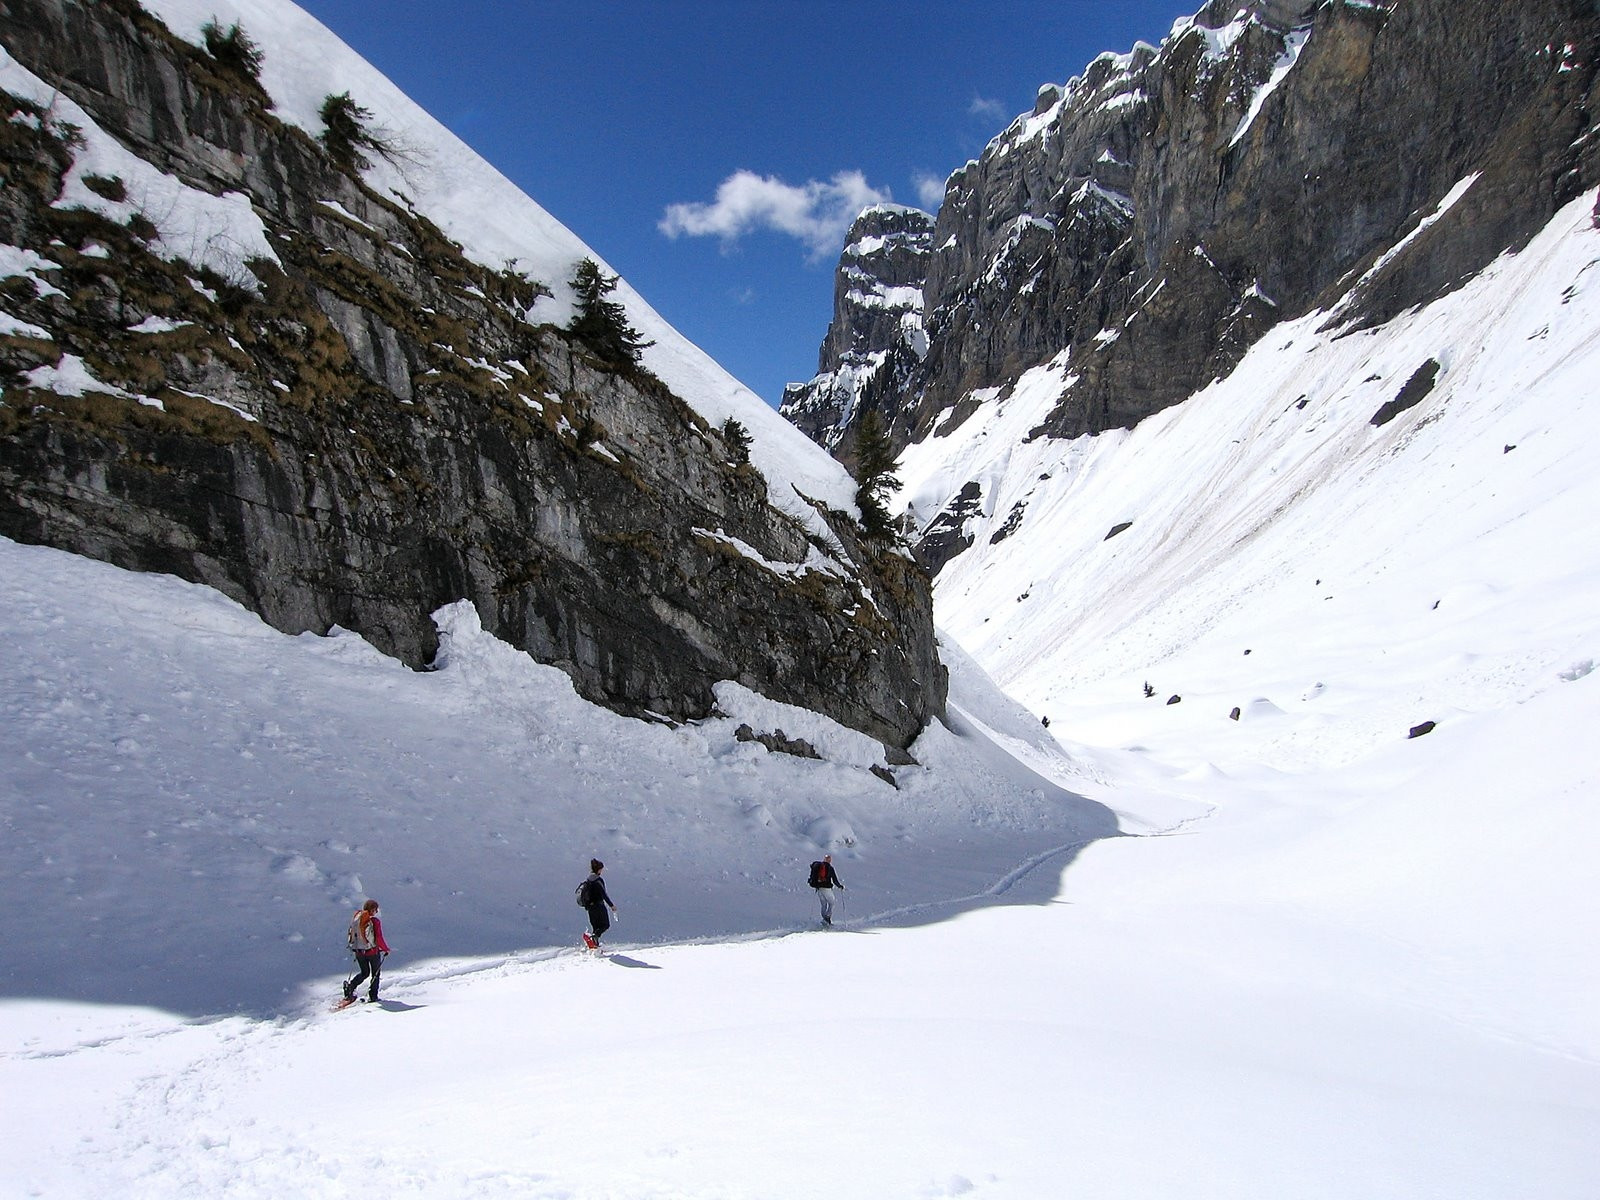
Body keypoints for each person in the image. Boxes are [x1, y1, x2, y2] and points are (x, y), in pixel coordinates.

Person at [343, 898, 390, 1003]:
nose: (376, 912)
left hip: (359, 951)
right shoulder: (374, 922)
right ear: (372, 910)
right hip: (372, 952)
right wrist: (386, 949)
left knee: (364, 973)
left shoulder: (357, 919)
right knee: (375, 974)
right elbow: (379, 938)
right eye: (375, 910)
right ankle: (373, 996)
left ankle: (351, 987)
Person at [580, 858, 618, 951]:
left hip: (589, 907)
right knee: (605, 925)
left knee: (595, 927)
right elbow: (603, 894)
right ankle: (594, 937)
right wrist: (611, 905)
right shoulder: (598, 880)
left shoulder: (588, 880)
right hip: (599, 906)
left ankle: (594, 945)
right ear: (599, 869)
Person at [808, 854, 844, 925]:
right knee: (832, 903)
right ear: (829, 860)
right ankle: (827, 918)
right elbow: (835, 880)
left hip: (819, 888)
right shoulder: (830, 868)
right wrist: (840, 886)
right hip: (826, 888)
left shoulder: (817, 867)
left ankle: (825, 919)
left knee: (823, 904)